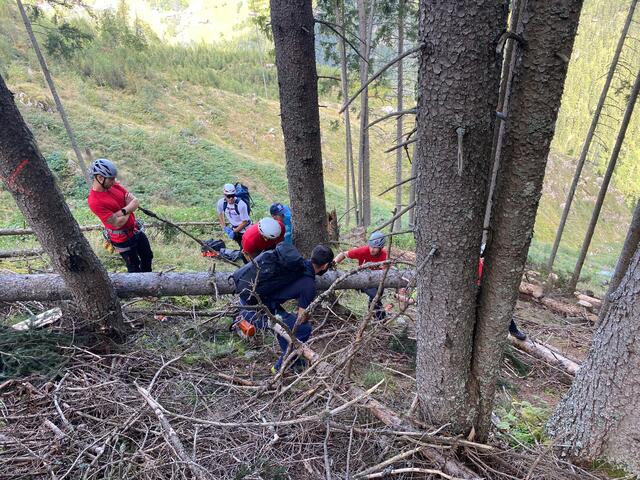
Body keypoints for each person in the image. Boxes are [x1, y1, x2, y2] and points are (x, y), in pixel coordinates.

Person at [236, 245, 334, 372]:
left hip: (249, 296)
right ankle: (279, 368)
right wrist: (307, 314)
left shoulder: (296, 264)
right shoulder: (309, 284)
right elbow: (301, 319)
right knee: (304, 329)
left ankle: (295, 360)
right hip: (258, 306)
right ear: (325, 266)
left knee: (286, 322)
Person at [87, 158, 153, 272]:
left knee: (147, 256)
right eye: (111, 179)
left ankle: (148, 282)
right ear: (100, 178)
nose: (114, 181)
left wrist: (121, 212)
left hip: (135, 230)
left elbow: (135, 201)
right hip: (121, 239)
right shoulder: (94, 201)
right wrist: (128, 208)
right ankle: (138, 288)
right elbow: (117, 223)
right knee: (133, 266)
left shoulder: (114, 186)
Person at [334, 231, 389, 320]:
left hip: (377, 280)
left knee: (376, 297)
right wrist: (333, 263)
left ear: (381, 247)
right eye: (371, 246)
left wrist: (385, 268)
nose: (372, 249)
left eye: (375, 248)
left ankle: (373, 314)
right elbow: (343, 254)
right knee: (376, 297)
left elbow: (386, 270)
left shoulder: (384, 255)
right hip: (363, 279)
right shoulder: (363, 250)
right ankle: (381, 320)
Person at [478, 244, 527, 341]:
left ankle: (513, 330)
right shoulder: (476, 264)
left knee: (502, 308)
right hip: (477, 291)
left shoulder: (489, 266)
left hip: (488, 291)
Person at [217, 183, 251, 248]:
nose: (231, 198)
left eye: (232, 196)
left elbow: (245, 222)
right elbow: (220, 213)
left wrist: (233, 231)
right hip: (235, 229)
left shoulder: (241, 205)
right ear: (224, 195)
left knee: (246, 249)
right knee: (241, 246)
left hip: (245, 230)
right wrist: (224, 226)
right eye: (228, 196)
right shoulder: (221, 203)